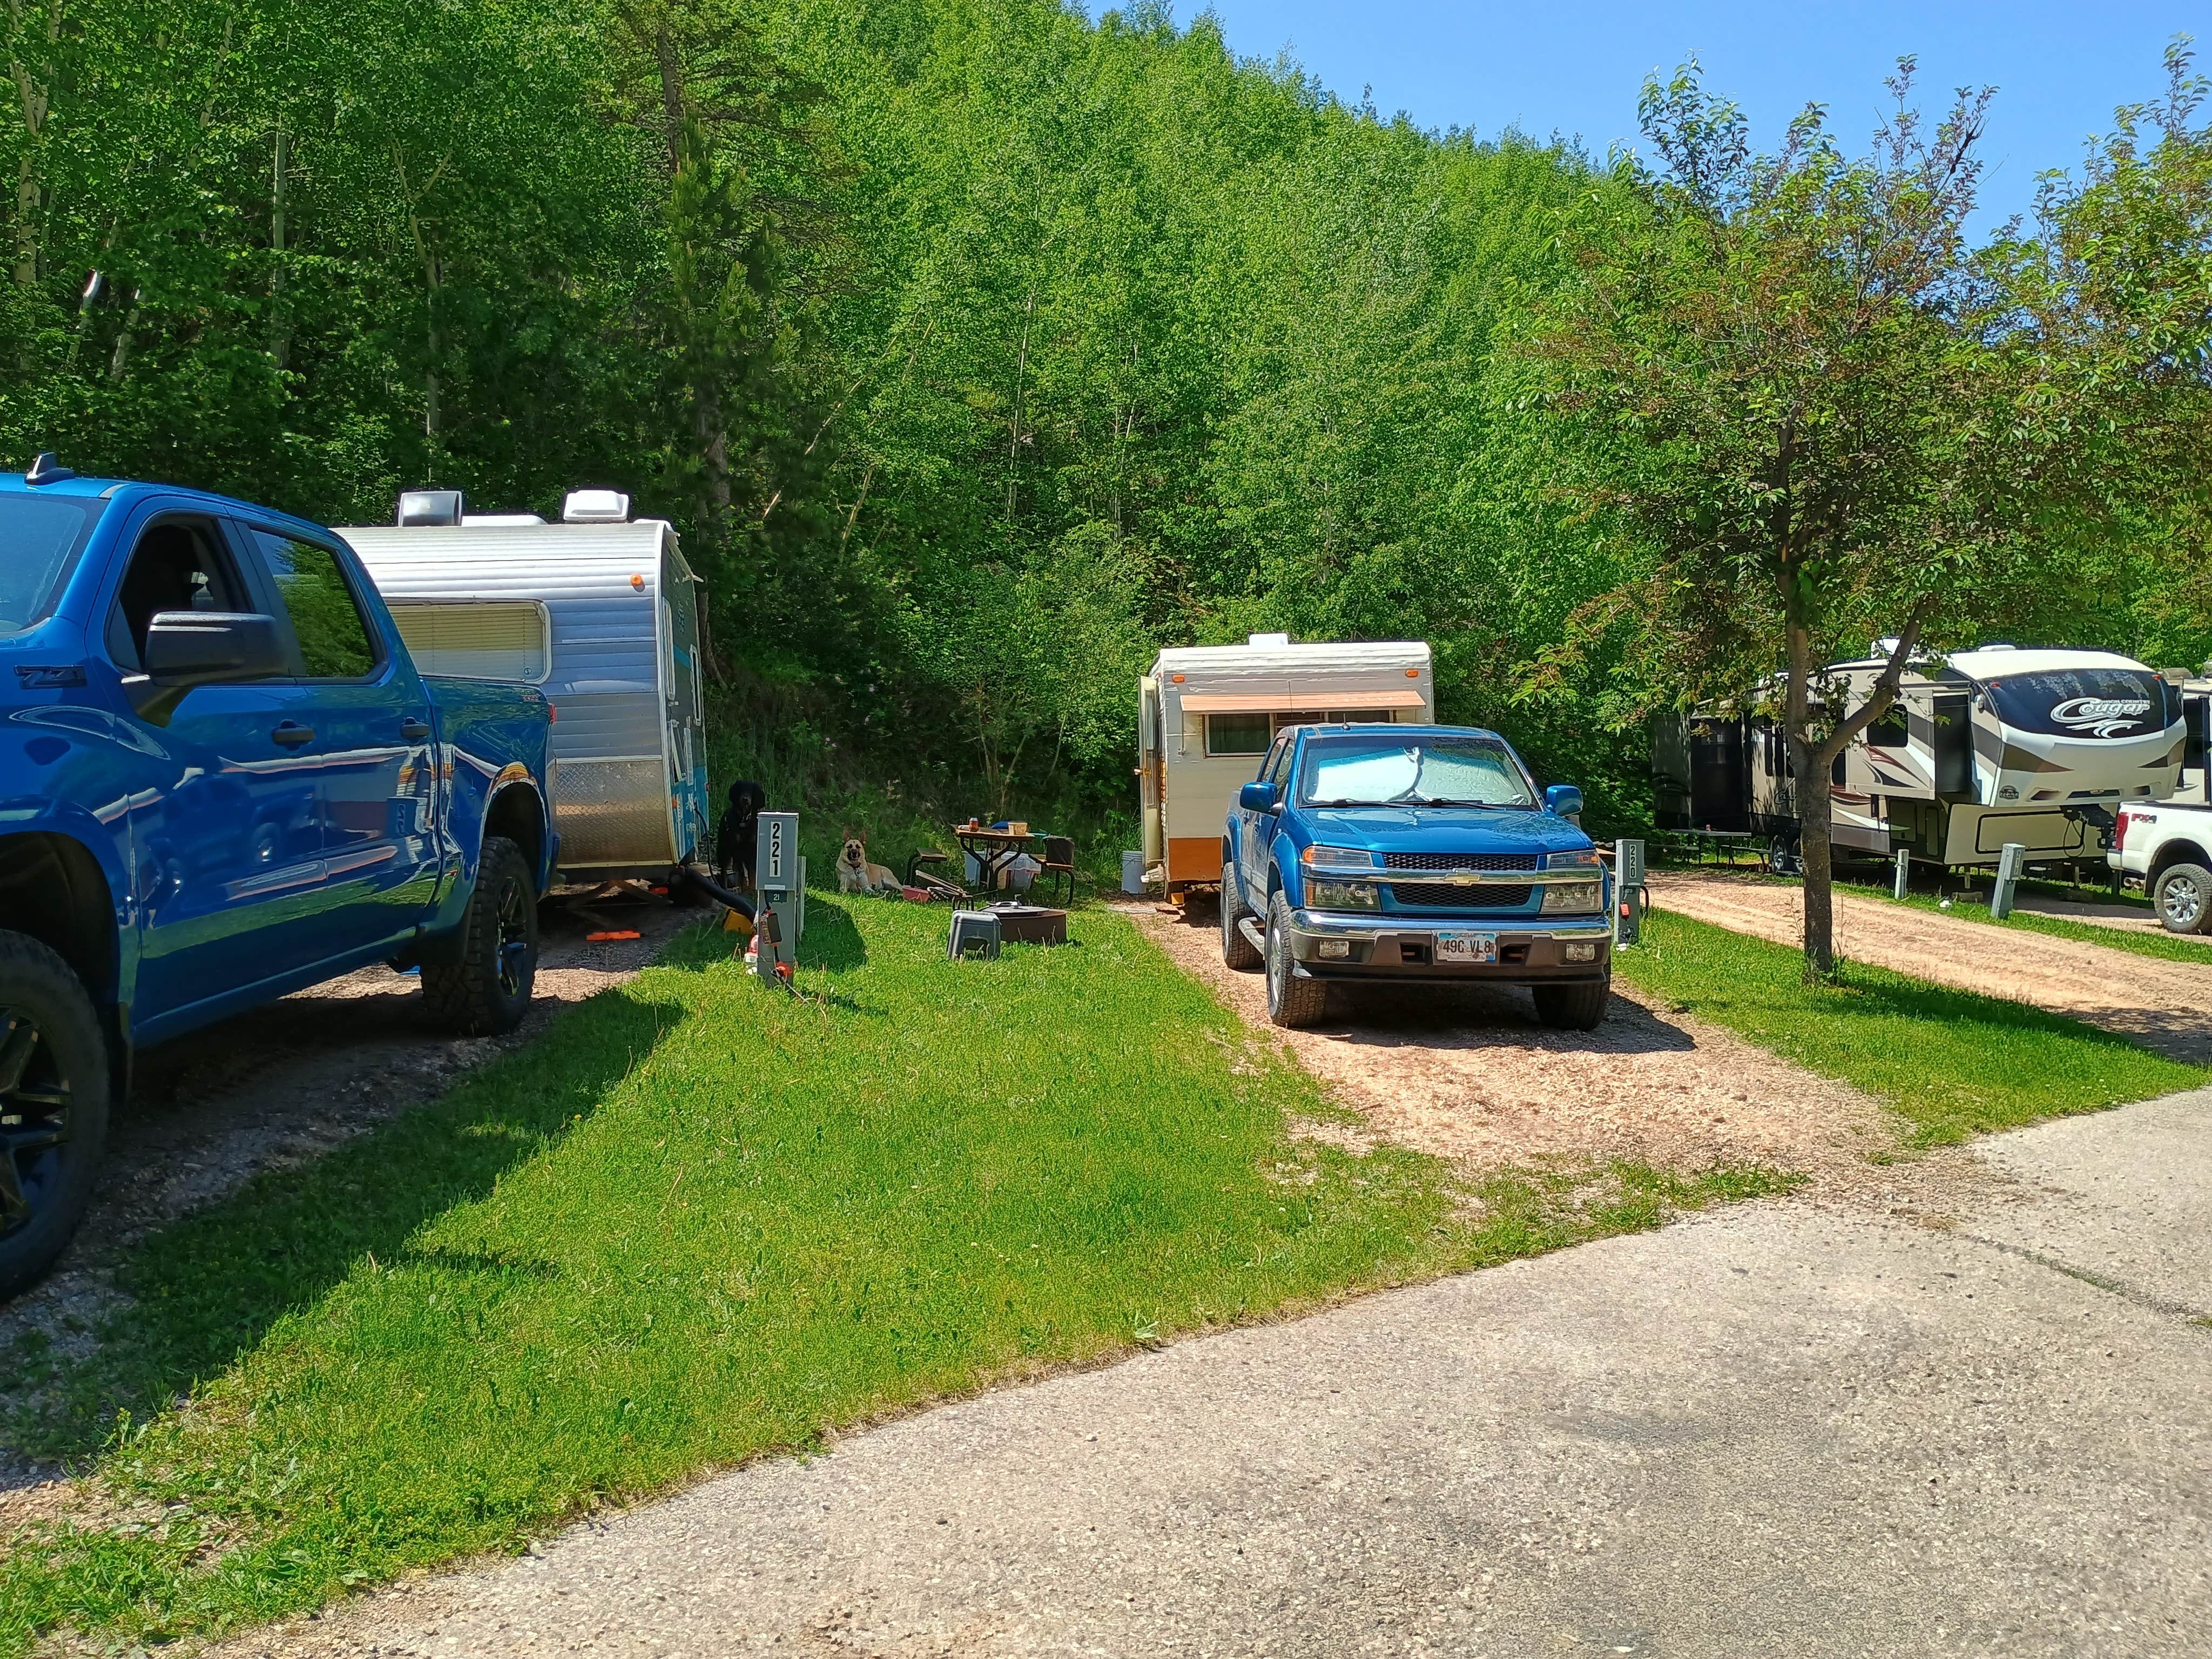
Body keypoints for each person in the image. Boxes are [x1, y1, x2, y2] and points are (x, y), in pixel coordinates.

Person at [714, 779, 767, 889]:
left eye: (748, 794)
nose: (745, 797)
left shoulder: (755, 821)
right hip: (733, 829)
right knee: (726, 857)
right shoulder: (729, 818)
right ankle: (725, 887)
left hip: (750, 828)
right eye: (742, 794)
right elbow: (733, 852)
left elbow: (754, 857)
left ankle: (753, 888)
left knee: (753, 858)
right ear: (737, 795)